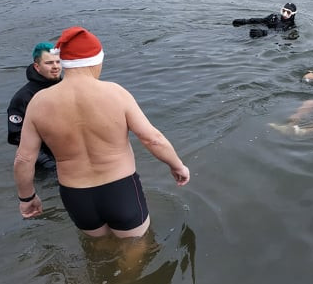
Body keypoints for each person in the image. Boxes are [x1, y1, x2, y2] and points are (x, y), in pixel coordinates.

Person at [13, 26, 190, 239]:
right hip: (120, 189)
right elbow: (153, 139)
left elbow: (23, 159)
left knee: (97, 250)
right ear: (95, 61)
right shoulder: (115, 93)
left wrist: (27, 198)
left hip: (75, 195)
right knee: (136, 250)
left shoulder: (38, 103)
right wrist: (177, 166)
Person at [7, 42, 62, 172]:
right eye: (49, 63)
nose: (55, 67)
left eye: (58, 62)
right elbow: (18, 137)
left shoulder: (67, 88)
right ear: (37, 67)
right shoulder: (22, 98)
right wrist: (49, 166)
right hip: (45, 163)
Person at [232, 3, 298, 39]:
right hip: (261, 28)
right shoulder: (274, 16)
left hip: (267, 34)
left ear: (293, 14)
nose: (284, 14)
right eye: (283, 11)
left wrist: (264, 33)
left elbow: (278, 32)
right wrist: (246, 21)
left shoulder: (291, 26)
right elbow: (262, 20)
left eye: (288, 12)